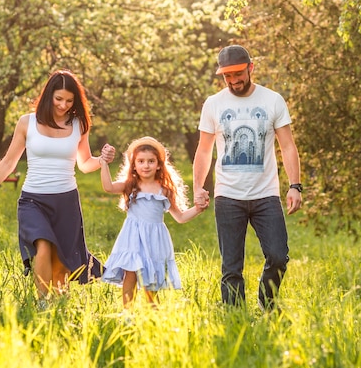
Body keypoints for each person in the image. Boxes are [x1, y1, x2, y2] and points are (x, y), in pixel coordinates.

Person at [0, 69, 115, 301]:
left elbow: (85, 164)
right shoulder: (28, 123)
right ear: (48, 95)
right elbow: (8, 163)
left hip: (66, 201)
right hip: (33, 200)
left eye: (69, 100)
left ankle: (58, 303)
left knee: (62, 258)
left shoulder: (79, 124)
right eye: (58, 99)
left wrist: (102, 160)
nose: (63, 105)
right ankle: (42, 303)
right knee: (43, 245)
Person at [193, 45, 302, 311]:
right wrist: (198, 187)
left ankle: (267, 306)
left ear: (251, 68)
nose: (233, 81)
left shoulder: (272, 100)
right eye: (227, 76)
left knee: (278, 257)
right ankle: (235, 320)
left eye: (238, 74)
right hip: (228, 197)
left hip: (266, 195)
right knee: (231, 266)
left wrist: (295, 185)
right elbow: (204, 149)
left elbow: (287, 145)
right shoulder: (214, 104)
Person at [99, 136, 207, 309]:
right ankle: (127, 312)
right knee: (131, 272)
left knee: (152, 275)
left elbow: (180, 217)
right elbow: (108, 187)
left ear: (159, 164)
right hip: (132, 236)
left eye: (151, 161)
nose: (146, 165)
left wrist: (198, 209)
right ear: (134, 165)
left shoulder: (164, 190)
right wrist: (103, 163)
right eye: (141, 161)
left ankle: (152, 312)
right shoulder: (130, 185)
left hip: (154, 238)